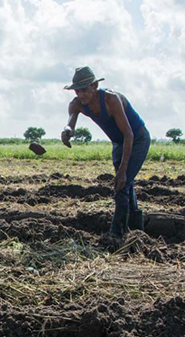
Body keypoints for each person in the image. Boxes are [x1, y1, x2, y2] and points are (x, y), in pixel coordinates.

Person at [62, 66, 150, 238]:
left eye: (84, 90)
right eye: (77, 91)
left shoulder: (111, 100)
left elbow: (128, 134)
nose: (81, 95)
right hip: (118, 143)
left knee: (122, 184)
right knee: (125, 184)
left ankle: (116, 235)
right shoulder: (77, 104)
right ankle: (136, 231)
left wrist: (123, 169)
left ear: (94, 86)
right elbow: (70, 123)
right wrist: (66, 132)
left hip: (137, 140)